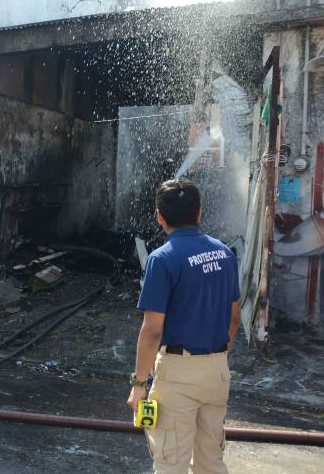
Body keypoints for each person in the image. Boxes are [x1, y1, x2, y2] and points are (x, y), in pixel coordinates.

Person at [127, 179, 241, 473]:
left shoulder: (162, 259)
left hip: (179, 374)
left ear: (159, 216)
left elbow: (152, 329)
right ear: (200, 213)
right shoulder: (224, 254)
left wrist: (139, 384)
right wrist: (220, 355)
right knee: (211, 461)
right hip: (217, 371)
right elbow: (235, 315)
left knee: (170, 463)